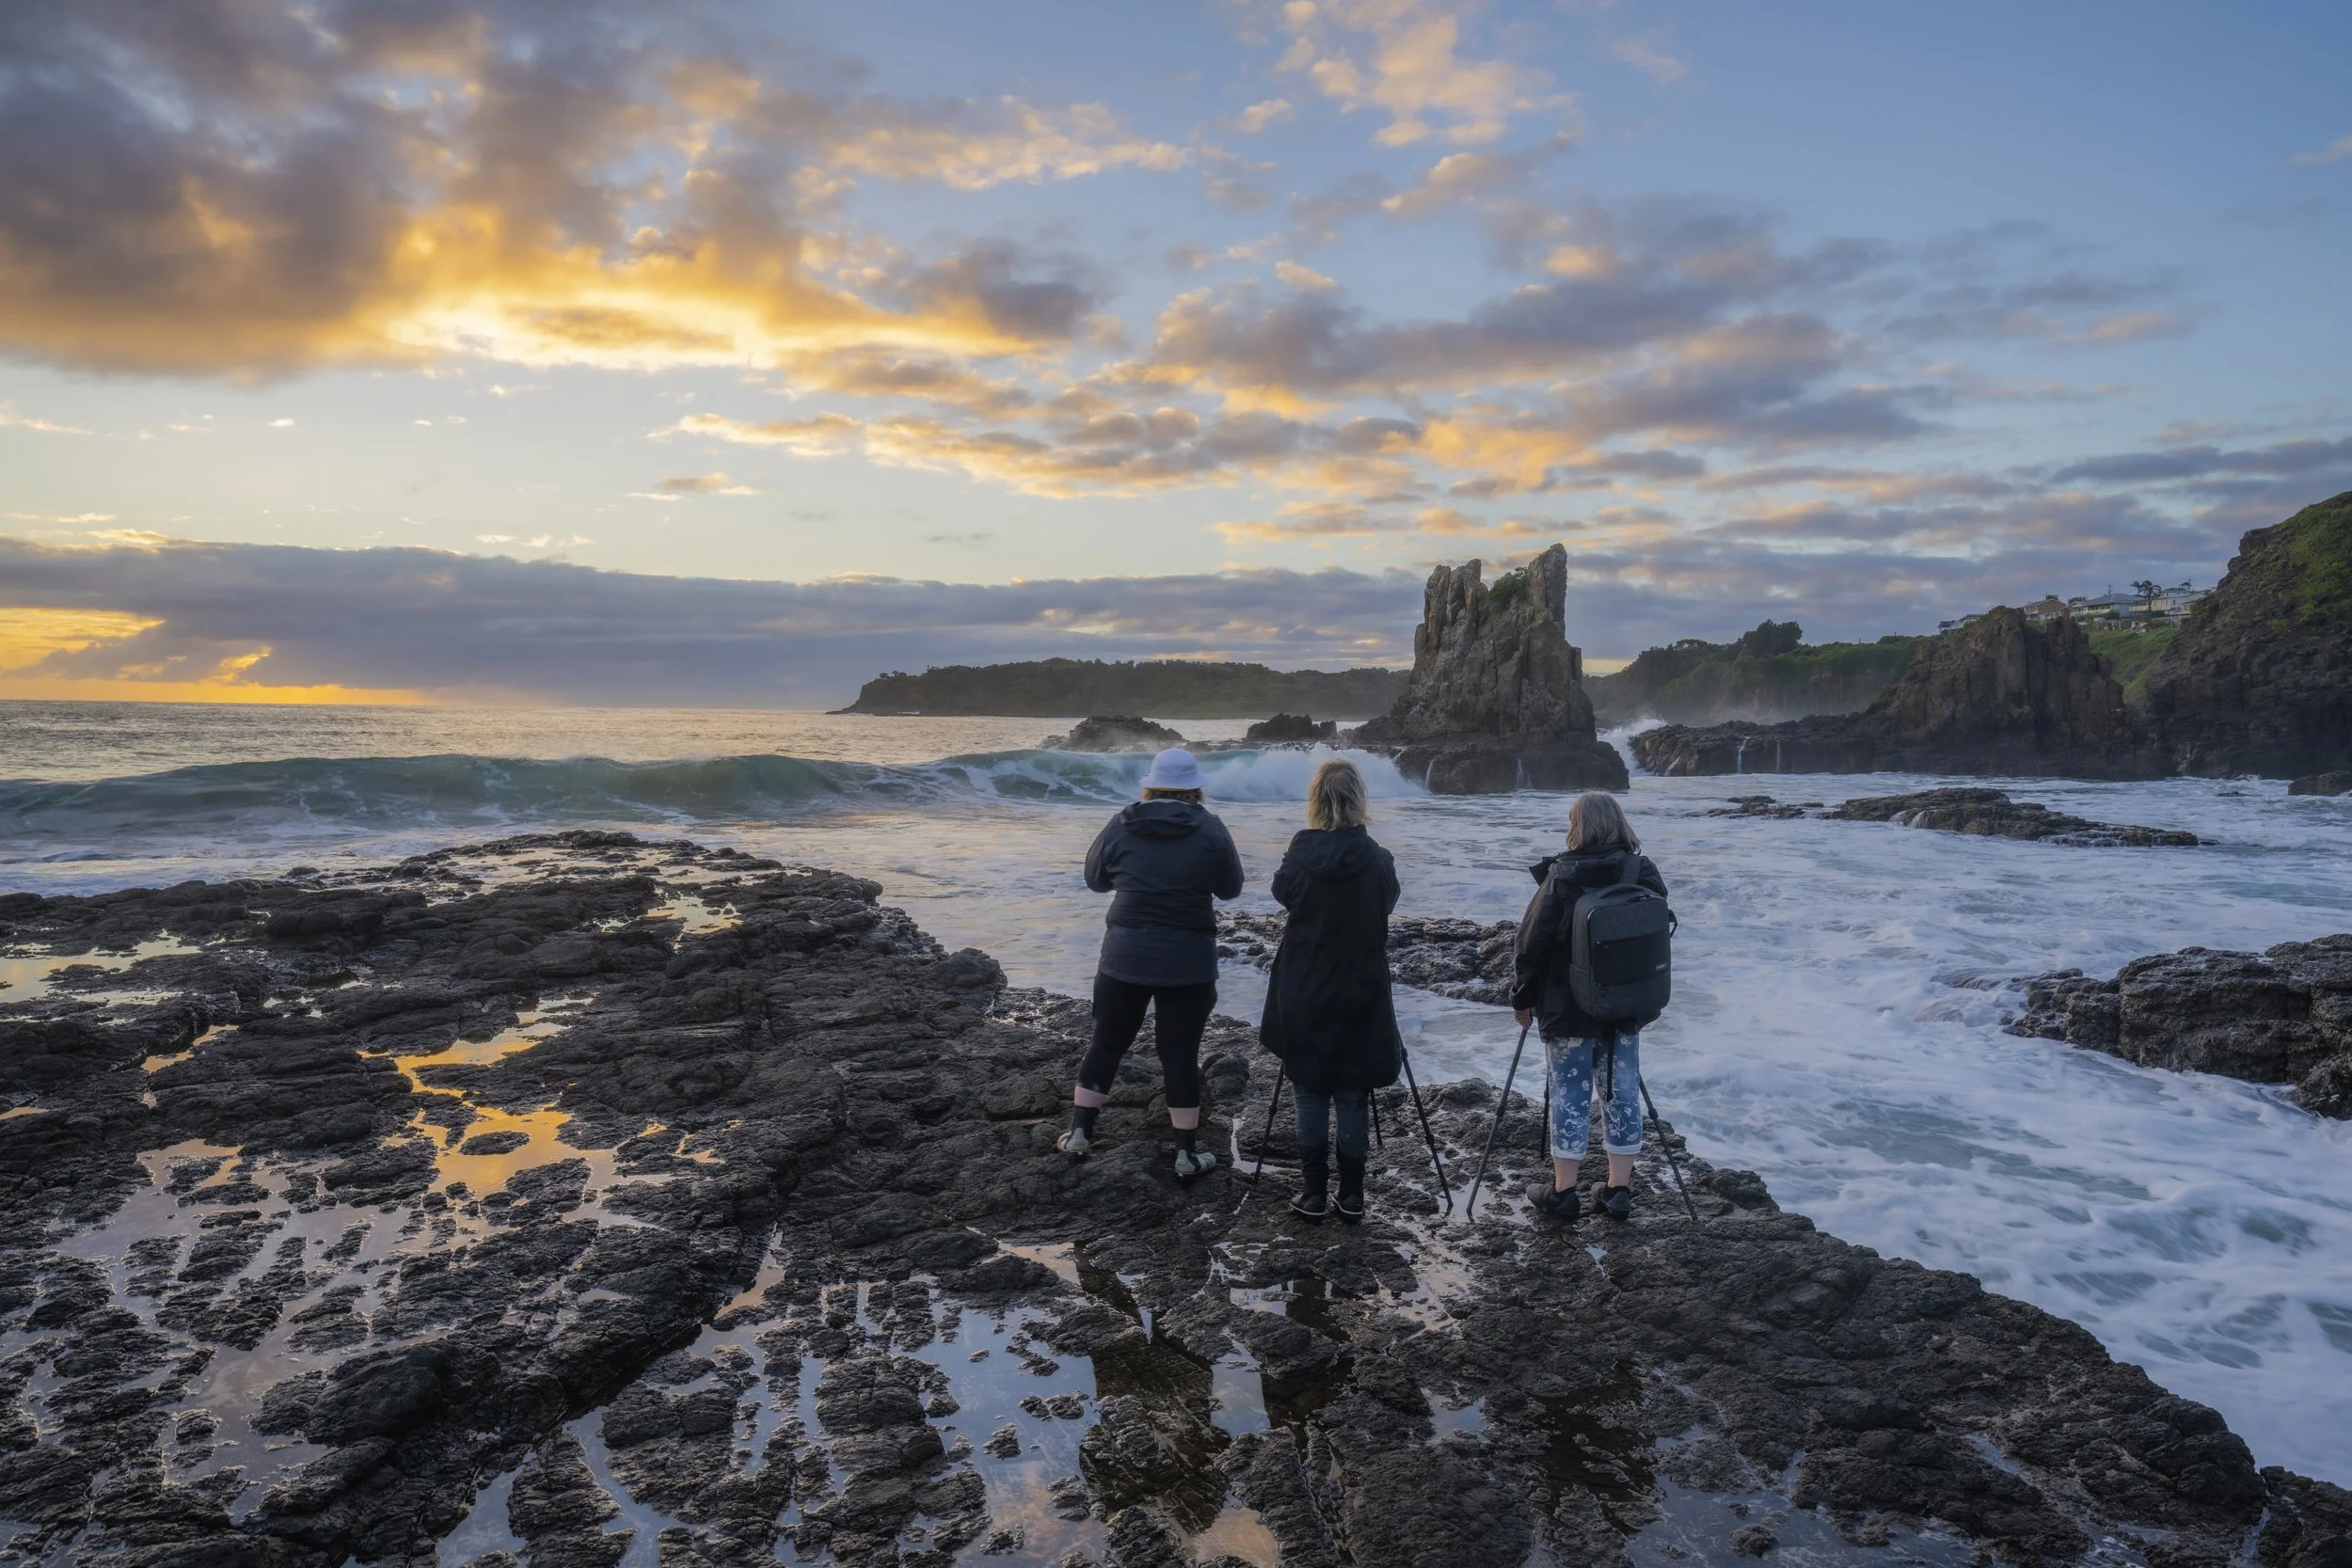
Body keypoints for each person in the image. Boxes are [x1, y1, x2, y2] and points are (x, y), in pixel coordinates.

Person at [1060, 747, 1245, 1177]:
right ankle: (1185, 1154)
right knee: (1179, 1054)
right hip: (1189, 960)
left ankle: (1080, 1134)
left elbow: (1094, 880)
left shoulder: (1122, 823)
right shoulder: (1211, 828)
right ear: (1194, 789)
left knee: (1106, 1042)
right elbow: (1231, 888)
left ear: (1151, 784)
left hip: (1124, 955)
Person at [1510, 791, 1668, 1225]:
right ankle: (1618, 1192)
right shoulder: (1643, 871)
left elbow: (1531, 944)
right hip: (1625, 1008)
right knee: (1621, 1095)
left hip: (1568, 1010)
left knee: (1570, 1097)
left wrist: (1522, 998)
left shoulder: (1561, 876)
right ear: (1618, 822)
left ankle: (1564, 1195)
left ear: (1576, 826)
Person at [1260, 758, 1402, 1224]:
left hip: (1305, 986)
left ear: (1317, 800)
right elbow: (1389, 901)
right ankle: (1354, 1194)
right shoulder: (1377, 858)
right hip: (1362, 986)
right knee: (1352, 1092)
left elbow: (1283, 894)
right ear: (1358, 798)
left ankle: (1314, 1192)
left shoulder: (1300, 853)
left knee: (1310, 1090)